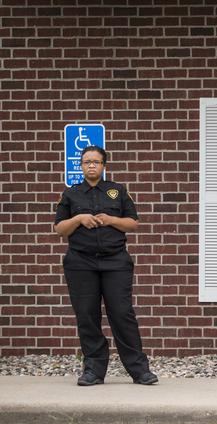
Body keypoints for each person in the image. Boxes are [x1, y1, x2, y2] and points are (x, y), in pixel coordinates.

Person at [54, 145, 158, 386]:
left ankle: (139, 370)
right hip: (80, 262)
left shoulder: (117, 191)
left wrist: (111, 219)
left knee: (122, 314)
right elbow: (59, 229)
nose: (91, 165)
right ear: (80, 166)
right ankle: (93, 370)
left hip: (115, 261)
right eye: (87, 161)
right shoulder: (71, 194)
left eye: (96, 162)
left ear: (103, 166)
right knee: (87, 316)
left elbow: (133, 224)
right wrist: (78, 218)